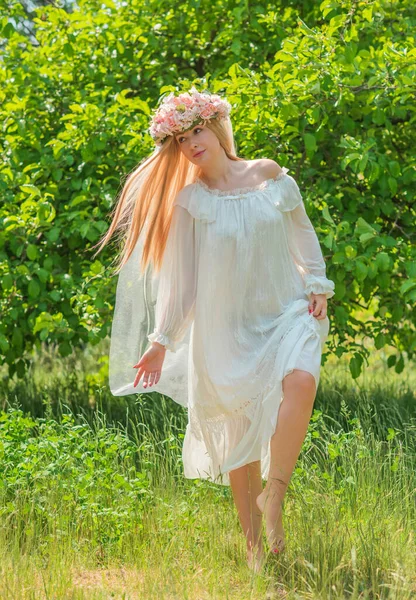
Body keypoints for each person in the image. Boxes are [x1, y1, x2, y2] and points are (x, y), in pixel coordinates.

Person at [93, 86, 335, 573]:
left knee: (302, 381)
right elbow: (182, 283)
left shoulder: (268, 173)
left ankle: (276, 499)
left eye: (196, 130)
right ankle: (253, 550)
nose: (191, 143)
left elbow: (301, 230)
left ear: (217, 126)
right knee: (238, 439)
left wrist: (317, 282)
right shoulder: (191, 201)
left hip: (285, 310)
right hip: (224, 330)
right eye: (180, 139)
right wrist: (161, 341)